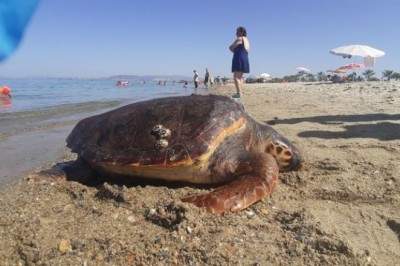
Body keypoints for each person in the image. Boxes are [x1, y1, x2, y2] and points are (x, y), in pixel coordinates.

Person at [229, 26, 250, 98]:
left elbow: (230, 48)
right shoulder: (246, 39)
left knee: (236, 77)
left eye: (237, 31)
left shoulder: (239, 38)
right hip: (245, 58)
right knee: (240, 77)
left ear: (241, 32)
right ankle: (241, 93)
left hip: (239, 57)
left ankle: (239, 94)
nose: (236, 33)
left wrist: (233, 47)